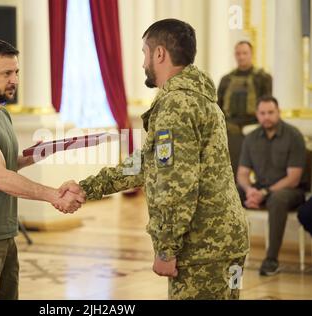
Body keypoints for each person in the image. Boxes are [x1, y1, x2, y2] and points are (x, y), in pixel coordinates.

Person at [58, 19, 249, 300]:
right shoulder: (199, 97)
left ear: (160, 54)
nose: (143, 62)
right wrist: (87, 188)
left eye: (145, 53)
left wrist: (167, 248)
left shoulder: (176, 105)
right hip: (225, 242)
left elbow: (176, 183)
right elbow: (147, 163)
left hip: (203, 248)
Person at [0, 39, 85, 300]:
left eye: (16, 72)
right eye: (6, 73)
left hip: (2, 233)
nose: (14, 80)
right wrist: (54, 195)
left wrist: (38, 153)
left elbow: (6, 164)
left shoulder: (1, 113)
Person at [237, 95, 307, 276]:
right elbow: (242, 174)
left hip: (290, 191)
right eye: (262, 113)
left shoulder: (294, 136)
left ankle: (271, 260)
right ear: (257, 115)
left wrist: (264, 193)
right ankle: (228, 256)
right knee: (229, 193)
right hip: (259, 189)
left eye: (270, 112)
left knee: (277, 199)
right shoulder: (251, 138)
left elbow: (294, 178)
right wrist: (249, 190)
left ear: (278, 112)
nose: (266, 117)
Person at [217, 41, 272, 178]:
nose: (241, 57)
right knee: (232, 171)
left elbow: (267, 105)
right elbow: (218, 106)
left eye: (244, 53)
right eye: (238, 53)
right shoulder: (226, 79)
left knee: (261, 171)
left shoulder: (263, 78)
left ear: (251, 54)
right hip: (232, 131)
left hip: (255, 129)